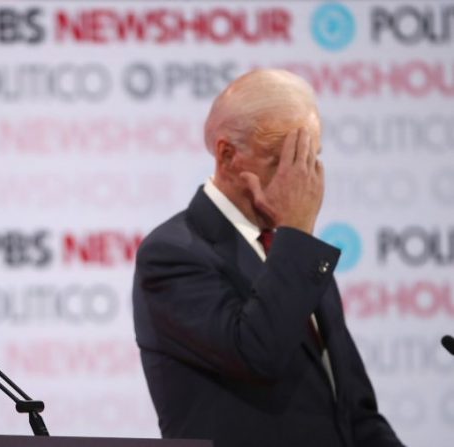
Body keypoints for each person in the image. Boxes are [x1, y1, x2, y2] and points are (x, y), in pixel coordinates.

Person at [132, 69, 403, 447]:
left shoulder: (294, 248)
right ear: (227, 155)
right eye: (283, 160)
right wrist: (297, 235)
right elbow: (257, 353)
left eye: (310, 159)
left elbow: (355, 410)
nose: (301, 178)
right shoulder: (173, 254)